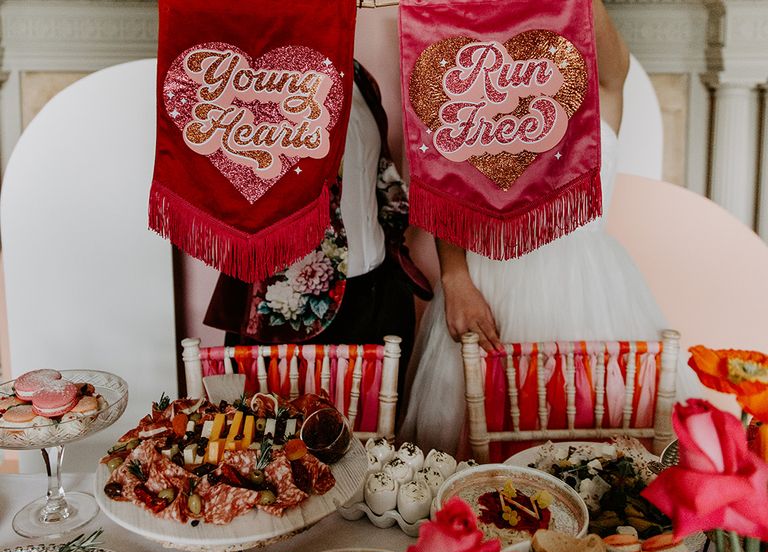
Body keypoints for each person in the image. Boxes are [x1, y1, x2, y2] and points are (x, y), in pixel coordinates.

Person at [400, 0, 694, 454]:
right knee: (480, 469)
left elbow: (616, 67)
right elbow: (446, 183)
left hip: (592, 298)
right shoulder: (479, 105)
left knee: (609, 463)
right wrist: (456, 278)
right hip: (486, 288)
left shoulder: (601, 95)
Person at [204, 61, 431, 385]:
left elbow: (379, 173)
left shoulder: (359, 77)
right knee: (284, 428)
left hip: (378, 294)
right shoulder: (257, 78)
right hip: (291, 307)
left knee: (378, 430)